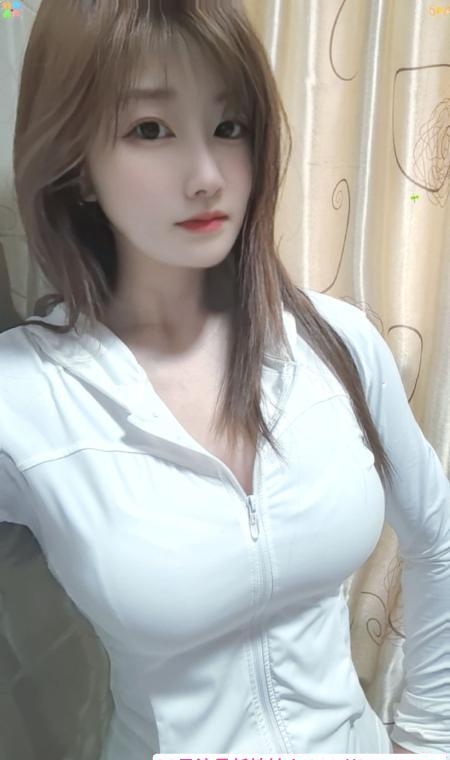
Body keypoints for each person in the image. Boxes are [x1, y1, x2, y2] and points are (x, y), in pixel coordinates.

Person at [1, 1, 449, 758]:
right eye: (150, 129)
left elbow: (437, 540)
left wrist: (430, 740)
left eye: (229, 126)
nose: (208, 176)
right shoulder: (22, 396)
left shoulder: (338, 342)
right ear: (75, 162)